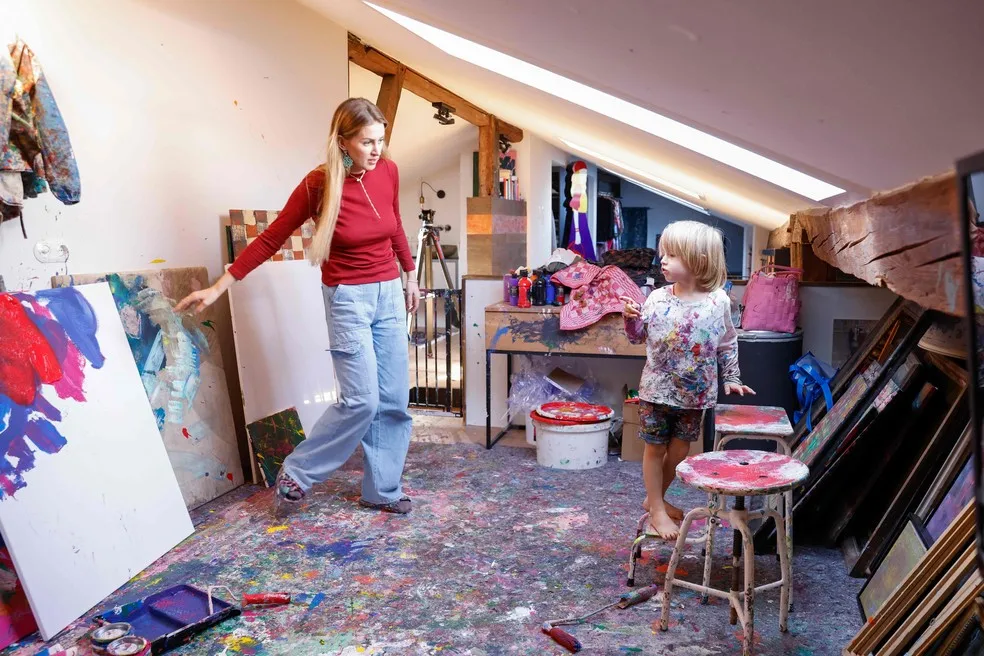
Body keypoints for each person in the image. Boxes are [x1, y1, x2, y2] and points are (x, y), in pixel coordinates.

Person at [176, 98, 420, 516]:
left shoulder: (389, 172)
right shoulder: (318, 184)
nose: (377, 151)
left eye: (381, 140)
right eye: (367, 142)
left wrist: (410, 275)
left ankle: (382, 489)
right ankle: (300, 472)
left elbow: (395, 223)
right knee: (362, 400)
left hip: (389, 293)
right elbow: (272, 238)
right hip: (348, 297)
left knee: (394, 399)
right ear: (343, 142)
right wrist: (219, 287)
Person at [621, 220, 754, 539]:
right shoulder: (656, 298)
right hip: (656, 391)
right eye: (662, 253)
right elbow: (639, 337)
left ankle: (654, 500)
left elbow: (727, 341)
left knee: (680, 452)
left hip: (695, 396)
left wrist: (732, 376)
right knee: (654, 449)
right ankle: (656, 509)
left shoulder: (718, 301)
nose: (662, 260)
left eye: (672, 255)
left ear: (700, 260)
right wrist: (630, 321)